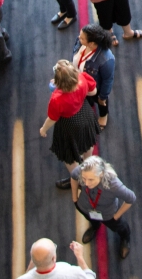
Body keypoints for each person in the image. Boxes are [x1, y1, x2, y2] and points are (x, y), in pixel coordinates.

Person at [41, 60, 99, 189]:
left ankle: (78, 179)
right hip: (85, 113)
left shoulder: (56, 98)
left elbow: (52, 118)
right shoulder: (83, 78)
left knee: (69, 154)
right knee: (88, 141)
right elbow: (93, 92)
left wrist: (43, 129)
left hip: (68, 124)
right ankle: (88, 164)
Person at [71, 156, 135, 258]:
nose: (86, 183)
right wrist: (74, 198)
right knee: (92, 220)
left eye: (91, 180)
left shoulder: (114, 185)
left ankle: (125, 238)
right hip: (85, 207)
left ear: (101, 174)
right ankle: (95, 227)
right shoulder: (82, 171)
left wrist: (116, 216)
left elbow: (131, 198)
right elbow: (73, 176)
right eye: (84, 179)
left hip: (108, 215)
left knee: (120, 227)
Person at [72, 24, 115, 130]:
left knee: (101, 102)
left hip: (95, 88)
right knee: (85, 98)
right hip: (80, 81)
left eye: (82, 38)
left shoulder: (106, 59)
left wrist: (103, 97)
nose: (79, 38)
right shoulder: (80, 43)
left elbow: (107, 80)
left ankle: (103, 115)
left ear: (91, 43)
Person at [17, 239, 94, 279]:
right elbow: (90, 277)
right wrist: (80, 257)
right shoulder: (73, 273)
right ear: (54, 258)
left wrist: (35, 259)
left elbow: (28, 275)